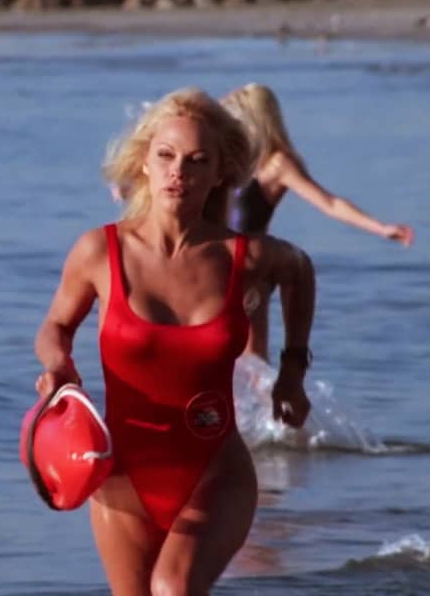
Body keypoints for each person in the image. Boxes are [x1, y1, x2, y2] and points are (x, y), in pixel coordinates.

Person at [33, 87, 316, 596]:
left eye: (196, 161)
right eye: (165, 156)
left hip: (215, 469)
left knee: (174, 588)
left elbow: (300, 272)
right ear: (143, 161)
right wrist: (58, 367)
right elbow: (55, 327)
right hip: (121, 476)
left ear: (220, 173)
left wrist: (293, 372)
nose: (177, 171)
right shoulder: (100, 250)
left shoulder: (245, 257)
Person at [222, 82, 413, 360]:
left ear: (254, 118)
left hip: (251, 266)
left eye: (235, 115)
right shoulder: (233, 160)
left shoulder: (278, 163)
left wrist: (381, 228)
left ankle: (266, 403)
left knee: (252, 355)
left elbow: (330, 203)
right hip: (214, 261)